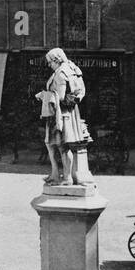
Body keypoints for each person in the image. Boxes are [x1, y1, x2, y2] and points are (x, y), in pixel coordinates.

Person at [42, 47, 91, 185]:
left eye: (50, 62)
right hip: (67, 113)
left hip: (61, 115)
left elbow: (61, 97)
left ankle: (67, 178)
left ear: (56, 60)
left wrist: (44, 96)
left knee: (63, 146)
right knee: (53, 144)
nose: (49, 64)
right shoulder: (71, 69)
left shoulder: (60, 73)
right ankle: (56, 174)